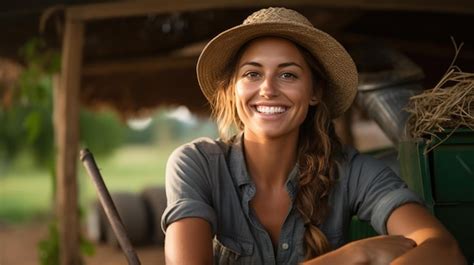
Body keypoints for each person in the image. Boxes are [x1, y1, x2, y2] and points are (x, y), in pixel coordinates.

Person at [161, 7, 465, 265]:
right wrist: (347, 257)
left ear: (315, 92)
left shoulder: (351, 171)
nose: (267, 88)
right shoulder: (196, 164)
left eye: (288, 74)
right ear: (232, 89)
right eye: (253, 74)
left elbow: (444, 249)